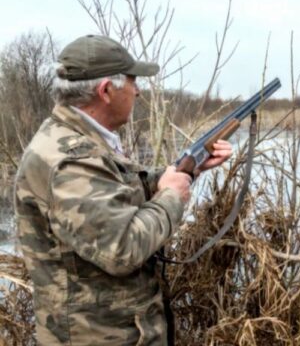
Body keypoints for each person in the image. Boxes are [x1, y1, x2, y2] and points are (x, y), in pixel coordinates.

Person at [13, 34, 232, 345]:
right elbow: (122, 247)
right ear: (106, 91)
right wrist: (172, 196)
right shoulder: (69, 161)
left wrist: (184, 171)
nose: (138, 91)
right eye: (132, 82)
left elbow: (112, 192)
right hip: (97, 337)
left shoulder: (77, 139)